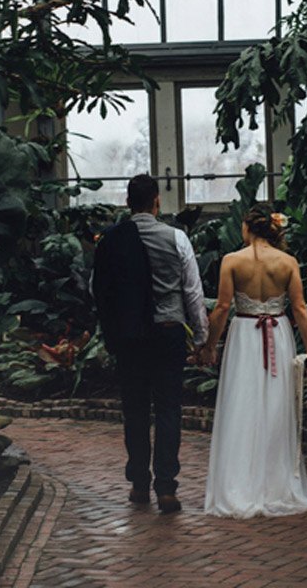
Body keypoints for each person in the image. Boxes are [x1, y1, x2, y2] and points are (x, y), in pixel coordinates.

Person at [92, 174, 208, 514]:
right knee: (169, 408)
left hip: (131, 337)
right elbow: (192, 291)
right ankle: (167, 488)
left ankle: (140, 484)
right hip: (169, 332)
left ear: (128, 202)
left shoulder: (111, 241)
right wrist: (201, 337)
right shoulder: (176, 238)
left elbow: (96, 289)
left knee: (136, 410)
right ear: (156, 201)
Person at [202, 206, 307, 518]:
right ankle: (275, 484)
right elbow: (299, 308)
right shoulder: (287, 262)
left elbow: (221, 308)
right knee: (275, 404)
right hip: (279, 334)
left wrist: (209, 345)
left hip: (244, 334)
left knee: (241, 404)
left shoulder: (232, 261)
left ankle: (239, 484)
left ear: (247, 227)